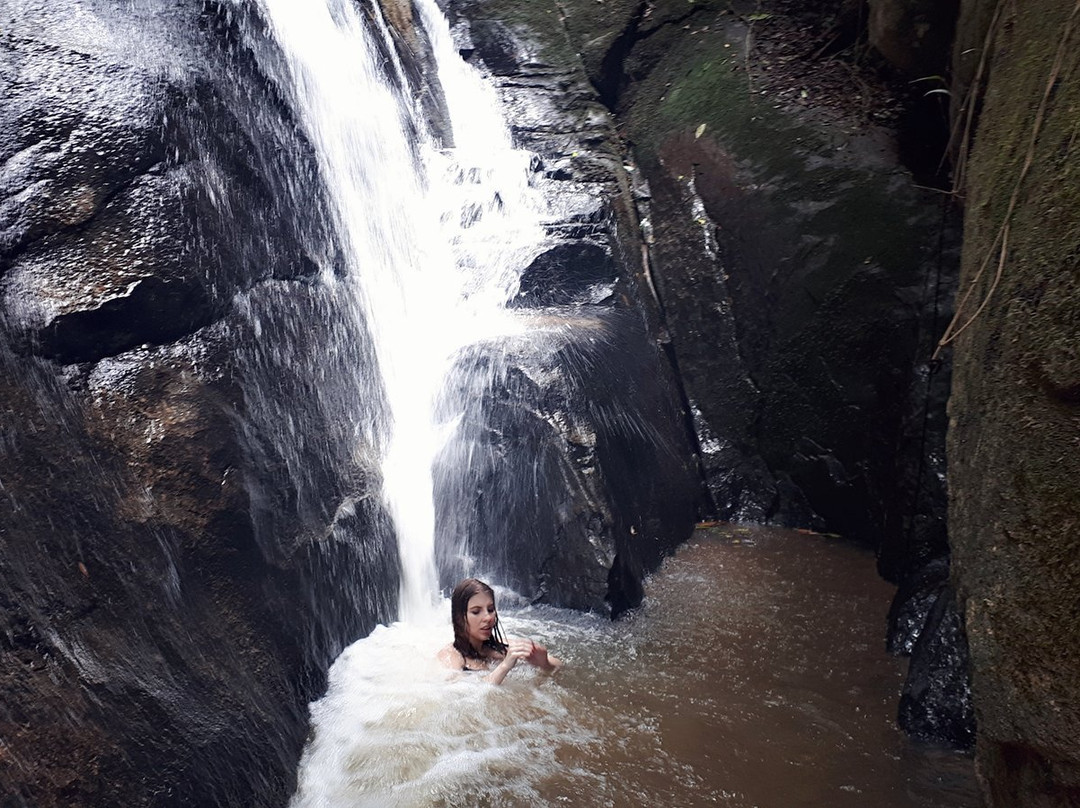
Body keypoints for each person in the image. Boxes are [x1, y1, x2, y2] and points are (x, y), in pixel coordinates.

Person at [437, 578, 561, 684]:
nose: (488, 617)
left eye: (490, 609)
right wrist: (505, 666)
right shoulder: (451, 656)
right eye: (476, 611)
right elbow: (461, 694)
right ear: (459, 618)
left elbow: (559, 665)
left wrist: (544, 664)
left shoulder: (501, 646)